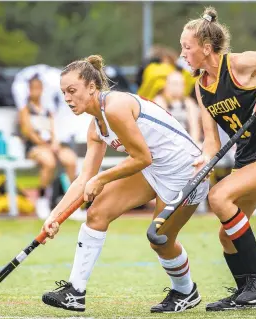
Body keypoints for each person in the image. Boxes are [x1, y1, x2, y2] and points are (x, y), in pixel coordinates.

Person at [40, 55, 209, 313]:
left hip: (186, 171)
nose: (67, 98)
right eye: (64, 92)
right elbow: (84, 178)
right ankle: (75, 292)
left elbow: (142, 157)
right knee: (97, 212)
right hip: (154, 168)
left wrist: (102, 178)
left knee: (160, 240)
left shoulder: (115, 107)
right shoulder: (95, 128)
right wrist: (55, 216)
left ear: (92, 88)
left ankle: (186, 291)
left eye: (72, 91)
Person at [180, 7, 256, 311]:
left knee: (219, 196)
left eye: (187, 47)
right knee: (227, 236)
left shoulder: (240, 64)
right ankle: (247, 293)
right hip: (248, 158)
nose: (182, 53)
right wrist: (203, 159)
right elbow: (211, 140)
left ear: (206, 49)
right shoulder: (201, 87)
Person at [19, 75, 78, 219]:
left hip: (51, 146)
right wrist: (43, 144)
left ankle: (72, 201)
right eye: (33, 88)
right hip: (35, 147)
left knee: (70, 160)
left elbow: (53, 130)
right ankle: (42, 199)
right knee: (49, 162)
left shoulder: (48, 110)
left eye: (38, 88)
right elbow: (28, 132)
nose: (36, 92)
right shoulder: (25, 110)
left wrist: (54, 143)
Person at [153, 70, 201, 142]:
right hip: (167, 141)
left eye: (180, 84)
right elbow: (161, 128)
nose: (177, 87)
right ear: (166, 85)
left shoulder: (189, 102)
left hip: (187, 141)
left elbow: (194, 127)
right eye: (174, 83)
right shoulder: (159, 101)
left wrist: (194, 144)